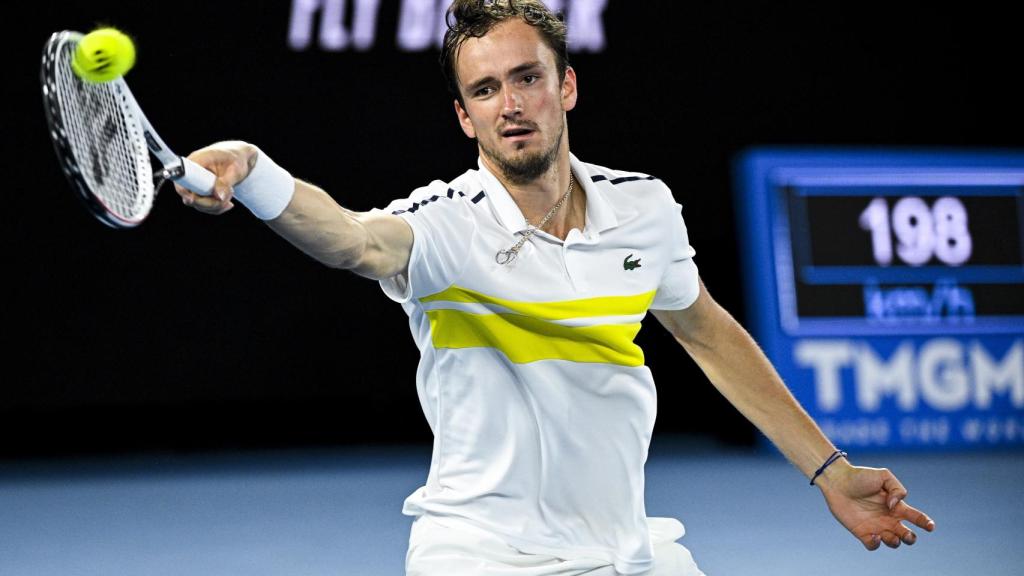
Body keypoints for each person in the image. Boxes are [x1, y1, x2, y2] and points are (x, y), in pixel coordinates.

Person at [175, 1, 935, 574]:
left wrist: (830, 471)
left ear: (565, 86)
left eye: (527, 78)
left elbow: (705, 331)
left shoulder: (644, 206)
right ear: (464, 116)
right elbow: (351, 238)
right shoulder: (444, 224)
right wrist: (253, 170)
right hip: (480, 556)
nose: (510, 104)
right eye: (484, 90)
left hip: (625, 548)